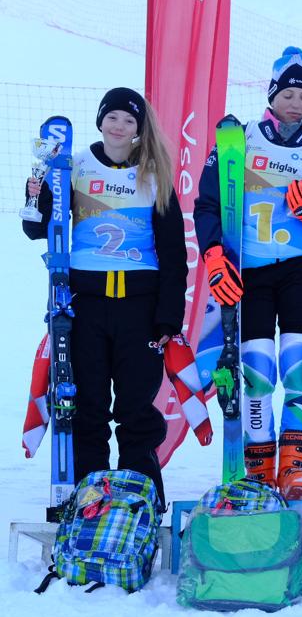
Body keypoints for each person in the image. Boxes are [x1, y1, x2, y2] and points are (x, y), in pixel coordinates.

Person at [195, 47, 302, 500]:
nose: (295, 104)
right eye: (287, 94)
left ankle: (295, 463)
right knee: (258, 370)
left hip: (299, 272)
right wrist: (213, 254)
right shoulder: (239, 141)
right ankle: (259, 466)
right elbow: (207, 204)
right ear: (271, 94)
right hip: (250, 273)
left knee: (297, 365)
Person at [22, 87, 187, 508]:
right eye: (112, 117)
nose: (119, 126)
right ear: (100, 121)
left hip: (140, 307)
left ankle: (140, 496)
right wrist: (36, 192)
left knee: (136, 407)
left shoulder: (154, 174)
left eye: (129, 120)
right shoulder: (74, 166)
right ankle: (88, 496)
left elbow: (173, 252)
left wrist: (169, 317)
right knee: (88, 404)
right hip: (85, 305)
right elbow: (37, 228)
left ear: (139, 129)